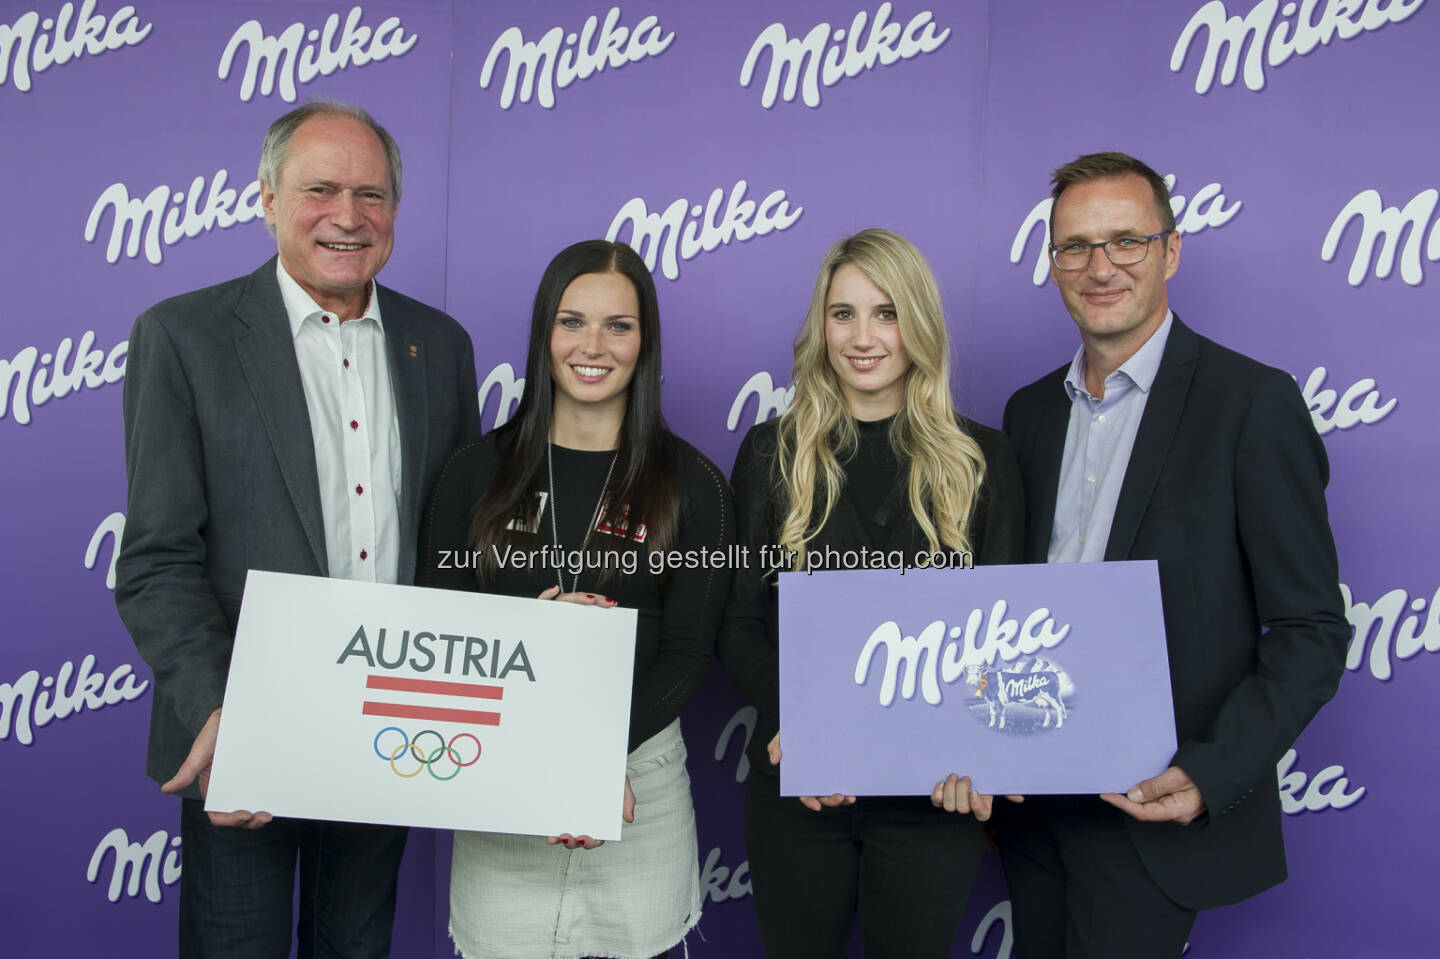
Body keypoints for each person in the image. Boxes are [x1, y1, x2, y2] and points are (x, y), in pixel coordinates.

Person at [114, 101, 482, 957]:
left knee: (354, 948)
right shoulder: (184, 336)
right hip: (245, 729)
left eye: (372, 194)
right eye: (320, 189)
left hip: (390, 729)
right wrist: (221, 709)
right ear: (269, 200)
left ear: (395, 209)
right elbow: (157, 560)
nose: (348, 216)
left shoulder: (442, 345)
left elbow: (457, 545)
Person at [996, 152, 1349, 958]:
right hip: (1032, 810)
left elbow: (1311, 628)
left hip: (1150, 812)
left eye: (1126, 240)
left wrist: (1213, 772)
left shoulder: (1252, 404)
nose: (1100, 267)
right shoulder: (1026, 416)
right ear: (1053, 265)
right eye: (1075, 247)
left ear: (1171, 250)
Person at [420, 239, 733, 959]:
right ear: (544, 333)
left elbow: (688, 653)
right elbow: (439, 632)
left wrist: (589, 762)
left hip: (638, 782)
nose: (594, 346)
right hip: (499, 775)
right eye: (573, 321)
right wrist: (534, 637)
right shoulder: (473, 473)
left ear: (644, 340)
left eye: (618, 325)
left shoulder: (695, 485)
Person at [717, 228, 1024, 957]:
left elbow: (1003, 638)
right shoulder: (772, 453)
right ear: (820, 326)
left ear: (917, 323)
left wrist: (978, 750)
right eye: (843, 313)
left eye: (885, 313)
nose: (863, 337)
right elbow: (737, 623)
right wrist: (807, 724)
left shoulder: (984, 460)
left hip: (932, 800)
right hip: (804, 787)